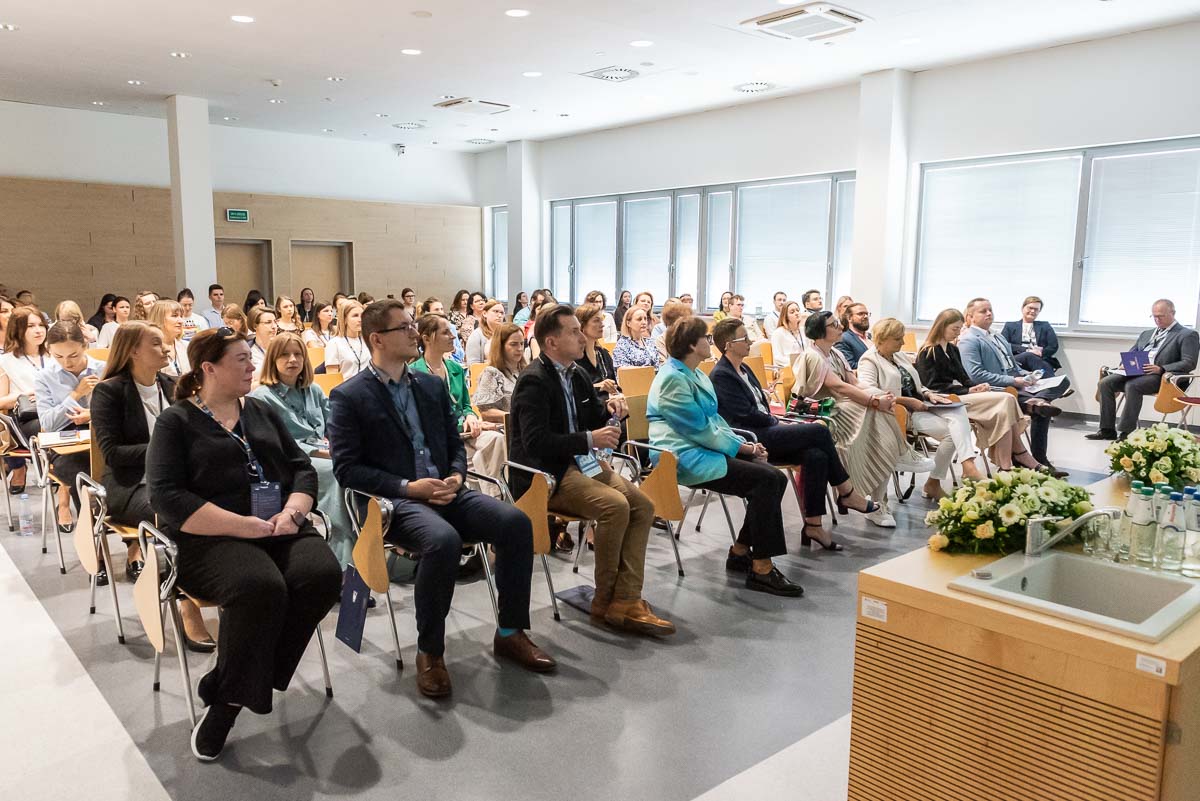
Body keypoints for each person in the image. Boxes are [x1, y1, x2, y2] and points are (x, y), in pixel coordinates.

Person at [329, 300, 555, 697]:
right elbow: (347, 470)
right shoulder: (349, 395)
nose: (414, 333)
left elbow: (453, 443)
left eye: (413, 325)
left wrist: (456, 474)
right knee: (443, 541)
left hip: (447, 490)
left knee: (515, 522)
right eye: (404, 328)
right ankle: (430, 652)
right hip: (394, 502)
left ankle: (510, 631)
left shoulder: (430, 386)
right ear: (377, 339)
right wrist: (408, 487)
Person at [146, 328, 341, 761]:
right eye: (241, 359)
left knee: (323, 575)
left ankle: (227, 683)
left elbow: (301, 468)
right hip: (210, 537)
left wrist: (293, 512)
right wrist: (242, 526)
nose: (253, 366)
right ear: (209, 368)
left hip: (278, 524)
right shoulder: (176, 422)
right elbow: (167, 498)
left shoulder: (260, 411)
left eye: (251, 359)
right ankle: (227, 707)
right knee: (259, 587)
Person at [509, 304, 674, 631]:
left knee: (643, 505)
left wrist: (613, 410)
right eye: (573, 331)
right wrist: (588, 439)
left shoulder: (577, 374)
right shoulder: (533, 381)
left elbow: (593, 418)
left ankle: (626, 597)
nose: (581, 336)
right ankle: (605, 598)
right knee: (615, 506)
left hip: (581, 464)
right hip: (547, 474)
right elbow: (536, 443)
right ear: (552, 342)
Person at [649, 318, 803, 596]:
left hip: (702, 448)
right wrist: (745, 449)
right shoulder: (672, 378)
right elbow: (699, 429)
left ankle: (741, 551)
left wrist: (744, 443)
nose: (711, 343)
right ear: (692, 345)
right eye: (706, 338)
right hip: (680, 456)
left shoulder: (695, 374)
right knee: (767, 480)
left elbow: (715, 422)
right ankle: (761, 568)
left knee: (775, 479)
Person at [90, 321, 216, 647]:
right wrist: (165, 446)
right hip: (130, 486)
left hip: (176, 481)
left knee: (221, 504)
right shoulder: (109, 392)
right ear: (133, 351)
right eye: (157, 343)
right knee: (177, 515)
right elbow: (113, 453)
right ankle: (187, 604)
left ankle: (224, 585)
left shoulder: (172, 384)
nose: (166, 348)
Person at [710, 318, 878, 549]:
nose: (750, 341)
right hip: (753, 437)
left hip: (768, 428)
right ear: (729, 345)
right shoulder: (722, 375)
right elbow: (745, 414)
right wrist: (776, 421)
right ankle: (846, 491)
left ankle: (813, 525)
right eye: (744, 338)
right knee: (819, 430)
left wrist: (775, 421)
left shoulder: (744, 368)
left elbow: (761, 407)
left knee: (816, 455)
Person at [792, 311, 930, 528]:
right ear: (820, 331)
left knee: (882, 413)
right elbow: (839, 386)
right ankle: (901, 452)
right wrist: (874, 401)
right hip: (819, 411)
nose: (840, 327)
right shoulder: (812, 355)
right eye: (833, 325)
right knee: (874, 412)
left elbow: (854, 383)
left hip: (840, 405)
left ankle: (897, 456)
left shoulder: (835, 353)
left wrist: (881, 395)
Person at [250, 332, 355, 566]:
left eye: (298, 354)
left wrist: (342, 446)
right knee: (337, 473)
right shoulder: (261, 397)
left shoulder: (313, 389)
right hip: (292, 461)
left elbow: (335, 424)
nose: (293, 360)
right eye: (284, 355)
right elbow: (275, 446)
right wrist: (324, 453)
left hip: (325, 452)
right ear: (273, 360)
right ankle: (344, 556)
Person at [858, 319, 983, 500]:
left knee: (958, 411)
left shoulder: (899, 356)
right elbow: (868, 391)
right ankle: (941, 479)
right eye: (898, 339)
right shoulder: (869, 360)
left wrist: (928, 393)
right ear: (882, 339)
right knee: (954, 432)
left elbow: (917, 383)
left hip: (920, 404)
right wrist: (906, 401)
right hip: (899, 412)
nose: (903, 342)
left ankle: (962, 467)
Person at [916, 309, 1038, 472]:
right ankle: (1017, 455)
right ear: (942, 327)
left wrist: (975, 386)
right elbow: (932, 385)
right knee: (1006, 400)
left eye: (960, 328)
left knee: (1004, 407)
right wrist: (967, 390)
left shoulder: (952, 349)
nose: (958, 333)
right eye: (954, 329)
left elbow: (963, 377)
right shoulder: (927, 351)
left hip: (957, 394)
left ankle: (1006, 464)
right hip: (943, 399)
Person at [958, 298, 1069, 474]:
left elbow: (1013, 365)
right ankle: (1036, 459)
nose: (989, 313)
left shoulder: (997, 336)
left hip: (1016, 384)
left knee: (1063, 382)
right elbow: (976, 375)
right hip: (998, 389)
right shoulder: (969, 340)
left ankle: (1038, 400)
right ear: (970, 317)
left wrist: (1027, 376)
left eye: (990, 309)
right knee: (1041, 412)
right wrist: (1014, 381)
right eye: (983, 311)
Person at [412, 314, 507, 486]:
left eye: (451, 331)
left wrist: (470, 416)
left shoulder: (455, 368)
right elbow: (425, 420)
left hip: (467, 432)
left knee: (497, 440)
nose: (453, 336)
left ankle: (495, 494)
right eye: (446, 332)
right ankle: (492, 493)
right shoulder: (414, 374)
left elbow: (465, 405)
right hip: (442, 437)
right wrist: (465, 424)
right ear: (426, 338)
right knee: (480, 460)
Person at [1087, 298, 1200, 441]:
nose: (1157, 320)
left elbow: (1189, 363)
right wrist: (1124, 364)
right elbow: (1132, 352)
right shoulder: (1147, 333)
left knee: (1132, 386)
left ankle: (1126, 432)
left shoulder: (1187, 334)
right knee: (1105, 383)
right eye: (1154, 316)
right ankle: (1107, 430)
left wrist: (1161, 368)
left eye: (1161, 316)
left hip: (1162, 377)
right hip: (1137, 372)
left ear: (1173, 313)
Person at [36, 322, 105, 531]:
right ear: (49, 350)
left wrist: (92, 414)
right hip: (65, 443)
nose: (67, 362)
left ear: (84, 346)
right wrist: (76, 394)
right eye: (58, 356)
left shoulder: (104, 369)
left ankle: (127, 540)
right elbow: (48, 423)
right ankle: (93, 531)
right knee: (78, 472)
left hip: (102, 435)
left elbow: (122, 411)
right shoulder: (45, 376)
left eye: (73, 355)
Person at [0, 307, 49, 492]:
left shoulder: (54, 356)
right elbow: (1, 402)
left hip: (54, 411)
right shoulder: (5, 361)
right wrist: (23, 395)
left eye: (41, 325)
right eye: (31, 326)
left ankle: (65, 480)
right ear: (18, 329)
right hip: (25, 418)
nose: (38, 330)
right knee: (50, 426)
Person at [472, 323, 526, 424]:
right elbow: (486, 412)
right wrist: (516, 417)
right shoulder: (491, 373)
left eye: (522, 343)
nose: (519, 348)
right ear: (500, 346)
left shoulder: (526, 371)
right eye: (513, 344)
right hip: (503, 428)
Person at [1000, 296, 1061, 375]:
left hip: (1039, 359)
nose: (1033, 311)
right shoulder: (1010, 326)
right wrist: (1027, 350)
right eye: (1030, 308)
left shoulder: (1045, 326)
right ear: (1023, 308)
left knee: (1039, 363)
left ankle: (1052, 381)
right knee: (1029, 355)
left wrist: (1040, 352)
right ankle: (1055, 382)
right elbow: (1003, 345)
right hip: (1017, 359)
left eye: (1036, 309)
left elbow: (1053, 346)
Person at [575, 305, 619, 402]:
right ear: (582, 326)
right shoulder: (573, 358)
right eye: (596, 321)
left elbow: (616, 387)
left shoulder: (603, 354)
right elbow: (573, 391)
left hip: (609, 405)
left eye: (602, 320)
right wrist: (598, 386)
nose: (602, 325)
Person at [147, 299, 192, 378]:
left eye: (181, 316)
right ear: (160, 318)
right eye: (174, 316)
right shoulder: (148, 349)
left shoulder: (187, 346)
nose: (181, 321)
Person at [324, 300, 368, 377]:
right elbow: (332, 378)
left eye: (362, 316)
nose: (360, 320)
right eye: (355, 316)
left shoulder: (368, 340)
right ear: (344, 319)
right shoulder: (334, 344)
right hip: (346, 383)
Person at [770, 300, 808, 371]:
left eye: (797, 310)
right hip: (788, 368)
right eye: (792, 312)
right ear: (786, 316)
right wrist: (797, 364)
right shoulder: (778, 333)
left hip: (804, 365)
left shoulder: (803, 331)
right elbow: (778, 358)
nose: (796, 313)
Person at [465, 300, 505, 365]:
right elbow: (473, 365)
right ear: (485, 313)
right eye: (496, 311)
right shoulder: (476, 335)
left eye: (502, 313)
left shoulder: (506, 334)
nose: (500, 315)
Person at [834, 303, 872, 369]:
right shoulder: (843, 339)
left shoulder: (872, 337)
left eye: (867, 314)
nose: (866, 316)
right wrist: (877, 365)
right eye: (860, 314)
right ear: (849, 318)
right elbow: (849, 366)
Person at [247, 308, 279, 373]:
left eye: (275, 322)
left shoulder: (283, 347)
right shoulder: (247, 352)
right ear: (255, 326)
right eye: (268, 322)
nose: (274, 326)